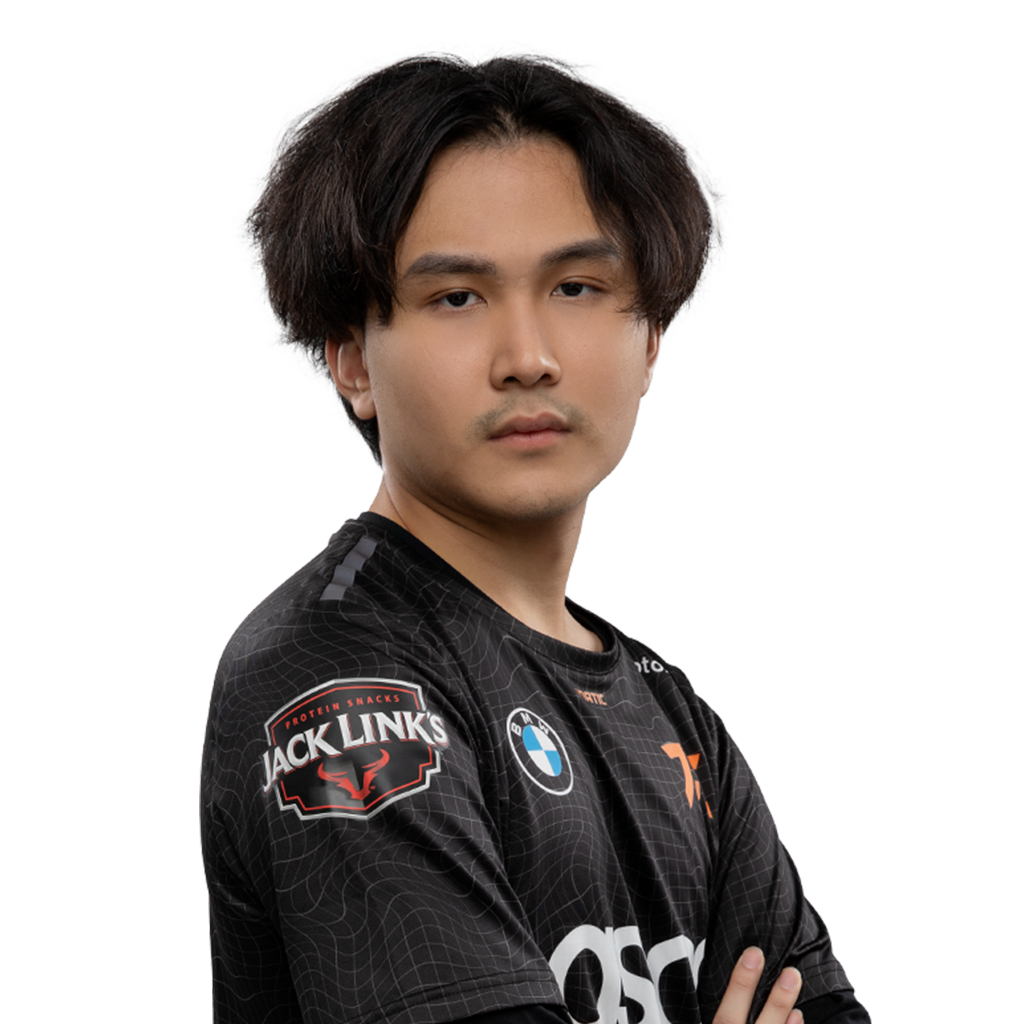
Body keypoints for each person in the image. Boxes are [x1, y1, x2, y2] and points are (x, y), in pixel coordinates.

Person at [200, 52, 871, 1024]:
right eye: (457, 297)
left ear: (649, 340)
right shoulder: (336, 684)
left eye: (577, 287)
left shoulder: (669, 710)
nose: (528, 357)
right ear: (351, 360)